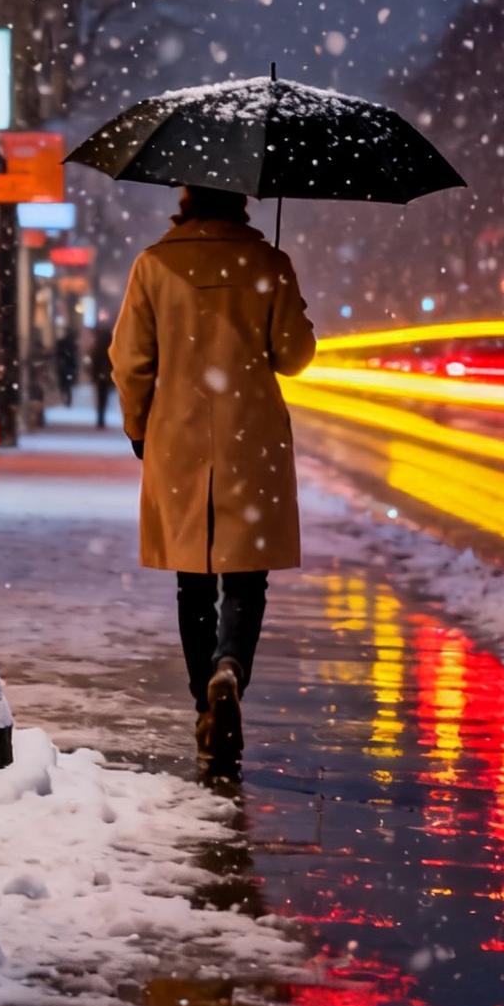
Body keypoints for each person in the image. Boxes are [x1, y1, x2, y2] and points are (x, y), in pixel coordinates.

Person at [110, 183, 315, 772]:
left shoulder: (154, 265)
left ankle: (205, 696)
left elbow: (129, 361)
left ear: (186, 200)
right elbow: (295, 356)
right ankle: (230, 668)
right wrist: (283, 303)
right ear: (243, 201)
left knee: (192, 581)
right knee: (247, 581)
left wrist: (139, 427)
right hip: (252, 438)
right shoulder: (269, 264)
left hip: (178, 436)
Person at [90, 316, 115, 428]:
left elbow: (94, 362)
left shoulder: (97, 349)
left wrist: (94, 374)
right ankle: (101, 416)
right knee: (104, 397)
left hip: (100, 375)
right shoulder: (111, 349)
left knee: (100, 396)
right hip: (107, 374)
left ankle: (100, 417)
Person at [54, 326, 79, 406]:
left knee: (63, 384)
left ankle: (66, 399)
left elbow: (58, 354)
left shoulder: (62, 343)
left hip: (63, 367)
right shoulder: (72, 344)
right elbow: (74, 357)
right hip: (68, 367)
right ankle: (67, 400)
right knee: (67, 384)